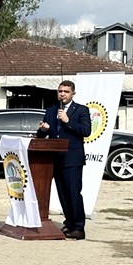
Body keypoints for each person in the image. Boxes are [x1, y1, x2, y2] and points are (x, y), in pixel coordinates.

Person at [36, 79, 93, 240]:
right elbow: (42, 135)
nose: (62, 94)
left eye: (66, 92)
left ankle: (79, 228)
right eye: (60, 91)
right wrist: (42, 130)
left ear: (73, 94)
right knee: (62, 193)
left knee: (73, 193)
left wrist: (68, 121)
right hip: (55, 158)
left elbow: (86, 131)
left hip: (72, 158)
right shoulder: (51, 110)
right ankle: (68, 223)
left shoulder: (81, 110)